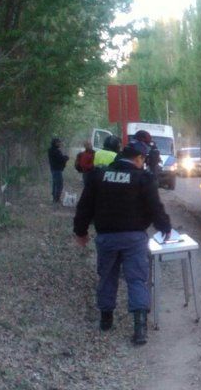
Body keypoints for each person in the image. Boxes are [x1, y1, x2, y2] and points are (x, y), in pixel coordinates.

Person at [73, 140, 172, 346]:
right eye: (142, 160)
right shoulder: (143, 178)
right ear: (138, 158)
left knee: (107, 276)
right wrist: (165, 227)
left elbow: (84, 207)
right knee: (136, 279)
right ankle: (140, 328)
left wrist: (80, 232)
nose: (143, 163)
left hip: (106, 237)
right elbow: (155, 207)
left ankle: (106, 319)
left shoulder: (99, 176)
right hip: (134, 238)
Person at [47, 138, 69, 203]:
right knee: (59, 184)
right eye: (58, 142)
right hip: (57, 170)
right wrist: (66, 157)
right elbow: (61, 159)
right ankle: (56, 199)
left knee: (55, 184)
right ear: (55, 143)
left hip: (53, 169)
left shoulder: (52, 150)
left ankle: (54, 198)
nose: (59, 143)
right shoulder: (55, 151)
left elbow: (59, 158)